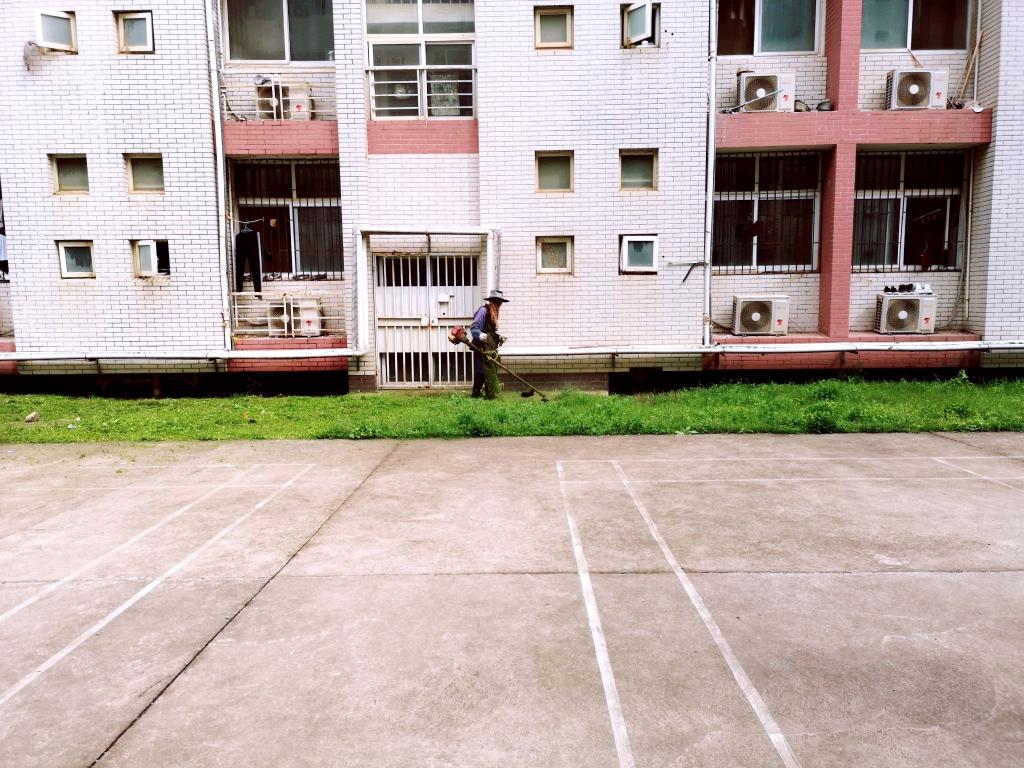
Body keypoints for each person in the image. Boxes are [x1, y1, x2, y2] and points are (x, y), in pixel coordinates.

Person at [470, 289, 508, 399]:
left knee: (491, 369)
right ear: (492, 301)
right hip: (481, 346)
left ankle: (489, 393)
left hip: (491, 346)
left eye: (500, 302)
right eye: (497, 302)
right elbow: (474, 327)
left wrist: (499, 337)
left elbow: (491, 331)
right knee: (481, 370)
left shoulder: (493, 313)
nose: (499, 304)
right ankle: (476, 392)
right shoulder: (483, 311)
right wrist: (479, 335)